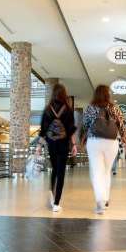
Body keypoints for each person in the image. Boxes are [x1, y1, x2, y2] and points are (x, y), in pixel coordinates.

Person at [78, 84, 126, 213]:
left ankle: (100, 201)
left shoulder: (91, 108)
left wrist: (82, 138)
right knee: (106, 171)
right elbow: (121, 125)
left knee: (97, 172)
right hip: (111, 142)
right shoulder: (114, 108)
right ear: (108, 94)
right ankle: (105, 200)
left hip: (94, 142)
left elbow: (85, 125)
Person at [39, 84, 76, 213]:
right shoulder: (68, 110)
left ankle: (51, 191)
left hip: (51, 143)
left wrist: (39, 145)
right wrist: (74, 145)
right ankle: (56, 203)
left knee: (54, 169)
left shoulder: (47, 109)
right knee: (61, 173)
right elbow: (71, 130)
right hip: (63, 143)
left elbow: (43, 129)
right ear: (64, 94)